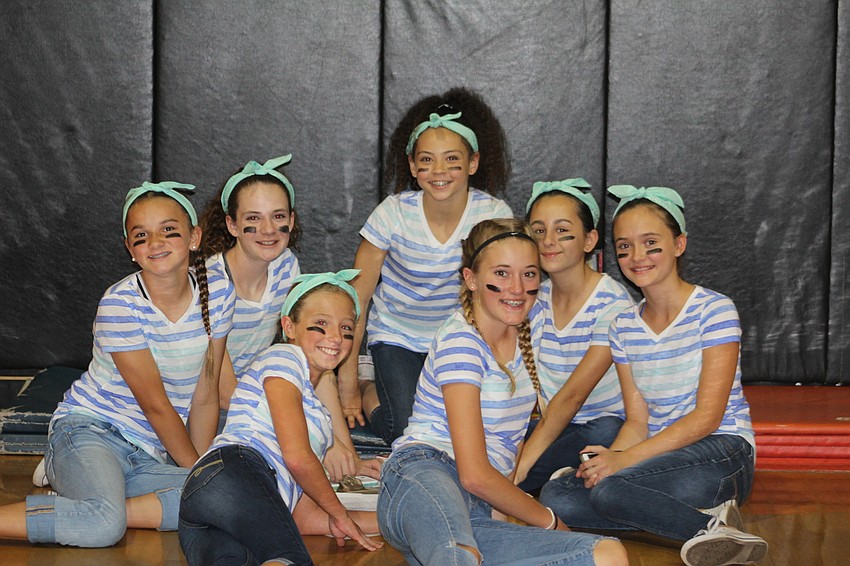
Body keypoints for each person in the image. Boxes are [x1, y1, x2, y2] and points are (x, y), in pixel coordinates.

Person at [377, 219, 628, 566]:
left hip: (480, 503)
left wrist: (503, 511)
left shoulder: (531, 321)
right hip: (425, 471)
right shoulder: (461, 342)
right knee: (458, 556)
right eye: (502, 273)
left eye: (529, 274)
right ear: (471, 279)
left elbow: (508, 445)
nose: (516, 287)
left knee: (608, 554)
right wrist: (549, 521)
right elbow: (474, 473)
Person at [539, 186, 768, 566]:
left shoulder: (714, 310)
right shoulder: (623, 324)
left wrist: (622, 463)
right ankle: (698, 519)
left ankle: (703, 532)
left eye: (650, 243)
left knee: (610, 492)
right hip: (658, 457)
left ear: (679, 244)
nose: (636, 256)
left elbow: (707, 417)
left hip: (722, 452)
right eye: (625, 247)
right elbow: (638, 420)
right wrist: (613, 458)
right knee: (556, 497)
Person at [0, 182, 234, 547]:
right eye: (141, 236)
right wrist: (194, 474)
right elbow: (156, 406)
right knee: (103, 527)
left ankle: (81, 501)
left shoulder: (218, 292)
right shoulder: (120, 305)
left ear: (194, 237)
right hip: (92, 431)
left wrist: (197, 473)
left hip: (148, 452)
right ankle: (88, 497)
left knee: (229, 496)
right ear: (130, 248)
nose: (155, 242)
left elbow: (205, 394)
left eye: (169, 230)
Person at [338, 87, 513, 444]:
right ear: (413, 167)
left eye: (452, 159)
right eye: (427, 160)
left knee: (455, 433)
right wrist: (346, 381)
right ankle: (373, 386)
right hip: (397, 336)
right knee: (410, 432)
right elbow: (358, 298)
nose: (439, 171)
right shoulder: (393, 213)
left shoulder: (493, 215)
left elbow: (505, 296)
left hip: (459, 338)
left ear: (473, 163)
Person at [178, 271, 383, 565]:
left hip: (207, 501)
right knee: (289, 558)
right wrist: (339, 513)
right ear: (289, 326)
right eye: (321, 325)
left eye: (347, 329)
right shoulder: (284, 358)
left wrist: (395, 519)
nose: (335, 337)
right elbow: (297, 457)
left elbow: (303, 518)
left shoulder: (318, 413)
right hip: (234, 471)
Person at [198, 155, 370, 481]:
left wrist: (346, 450)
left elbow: (313, 359)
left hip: (264, 397)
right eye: (253, 218)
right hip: (221, 410)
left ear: (291, 220)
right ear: (232, 224)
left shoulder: (285, 266)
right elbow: (222, 390)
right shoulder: (212, 283)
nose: (267, 230)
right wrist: (317, 438)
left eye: (277, 217)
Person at [514, 179, 634, 494]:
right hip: (553, 426)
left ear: (589, 240)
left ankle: (530, 482)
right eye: (538, 231)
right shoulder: (533, 297)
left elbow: (572, 397)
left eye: (562, 230)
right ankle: (561, 477)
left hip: (597, 428)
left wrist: (521, 463)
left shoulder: (612, 302)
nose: (549, 241)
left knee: (605, 430)